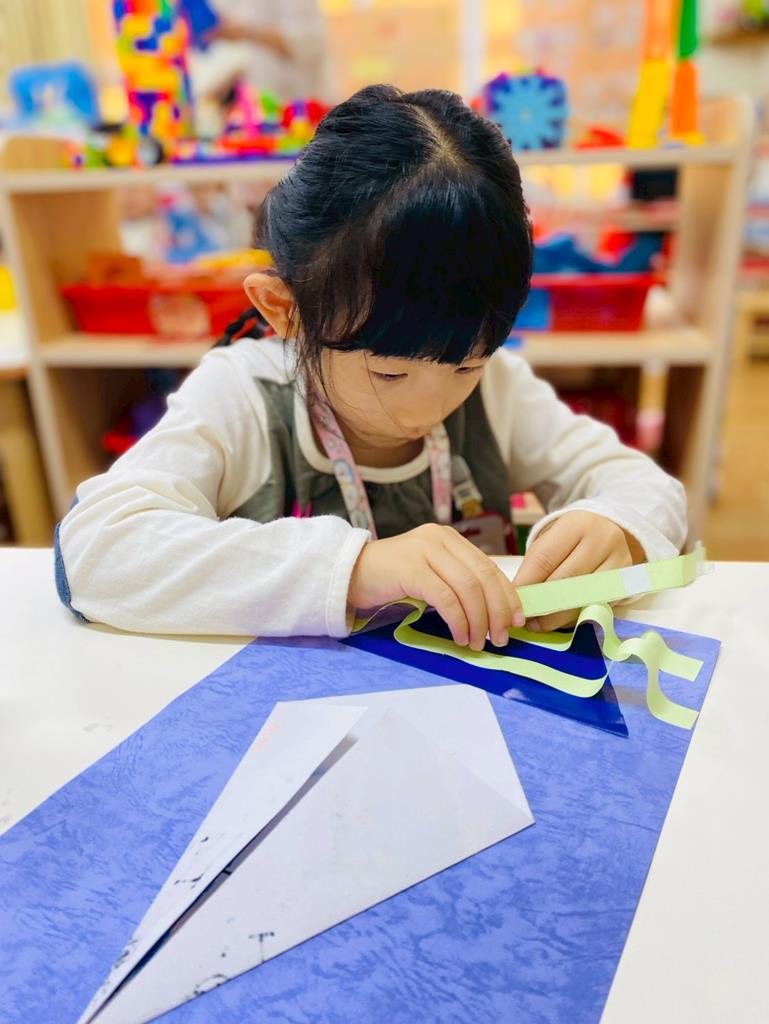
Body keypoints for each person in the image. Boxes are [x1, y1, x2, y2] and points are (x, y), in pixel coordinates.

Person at [55, 86, 686, 650]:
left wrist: (617, 526)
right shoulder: (244, 397)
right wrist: (356, 569)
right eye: (390, 373)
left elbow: (643, 485)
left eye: (466, 365)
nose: (427, 407)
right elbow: (93, 552)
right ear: (285, 309)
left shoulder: (498, 392)